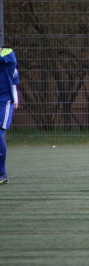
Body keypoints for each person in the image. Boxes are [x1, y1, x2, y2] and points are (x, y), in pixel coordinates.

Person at [0, 45, 18, 185]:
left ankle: (2, 174)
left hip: (4, 102)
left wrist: (16, 99)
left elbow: (14, 83)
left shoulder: (8, 52)